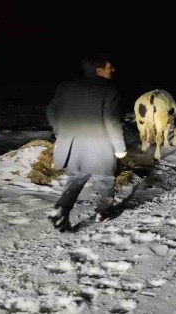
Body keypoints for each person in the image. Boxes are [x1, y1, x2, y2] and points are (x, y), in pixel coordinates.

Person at [46, 55, 127, 232]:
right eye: (109, 67)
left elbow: (51, 111)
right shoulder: (109, 89)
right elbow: (111, 120)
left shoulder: (66, 86)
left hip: (72, 144)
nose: (112, 70)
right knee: (106, 178)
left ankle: (61, 209)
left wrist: (60, 131)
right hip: (99, 144)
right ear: (99, 70)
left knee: (76, 178)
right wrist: (120, 147)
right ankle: (103, 211)